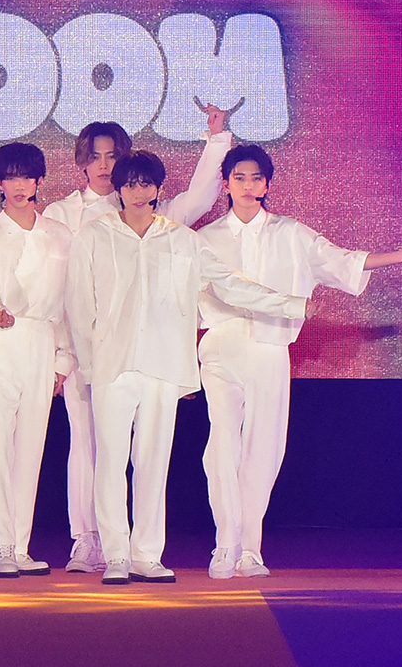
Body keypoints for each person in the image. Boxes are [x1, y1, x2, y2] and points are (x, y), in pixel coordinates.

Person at [197, 145, 402, 579]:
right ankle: (225, 544)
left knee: (263, 449)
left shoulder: (290, 233)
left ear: (267, 184)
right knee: (222, 445)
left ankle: (250, 548)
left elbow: (343, 261)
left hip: (270, 347)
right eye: (239, 177)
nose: (248, 185)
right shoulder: (206, 238)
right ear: (226, 184)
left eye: (256, 178)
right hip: (221, 346)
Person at [66, 150, 312, 585]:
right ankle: (116, 555)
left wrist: (291, 304)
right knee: (110, 463)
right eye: (130, 184)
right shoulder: (95, 234)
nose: (138, 192)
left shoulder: (181, 239)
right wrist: (89, 365)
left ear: (158, 188)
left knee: (153, 463)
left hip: (162, 365)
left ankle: (146, 554)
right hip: (111, 365)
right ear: (118, 189)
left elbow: (229, 285)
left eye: (146, 184)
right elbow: (79, 303)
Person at [41, 107, 232, 574]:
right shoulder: (63, 215)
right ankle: (90, 542)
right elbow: (66, 296)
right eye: (95, 156)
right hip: (90, 354)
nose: (105, 165)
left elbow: (200, 197)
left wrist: (216, 139)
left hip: (150, 357)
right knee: (91, 451)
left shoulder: (162, 221)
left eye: (112, 156)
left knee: (148, 458)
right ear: (81, 161)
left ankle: (143, 553)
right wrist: (70, 357)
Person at [0, 143, 75, 579]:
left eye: (26, 177)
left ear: (39, 181)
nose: (19, 185)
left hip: (42, 341)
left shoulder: (60, 235)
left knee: (31, 447)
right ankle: (0, 545)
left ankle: (20, 545)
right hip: (0, 341)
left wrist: (63, 360)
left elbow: (70, 302)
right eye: (10, 177)